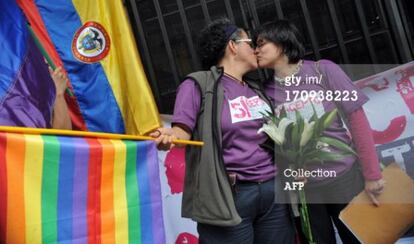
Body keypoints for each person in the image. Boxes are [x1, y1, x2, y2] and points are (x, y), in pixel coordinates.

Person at [151, 18, 295, 244]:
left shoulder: (256, 88)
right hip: (229, 196)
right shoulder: (198, 84)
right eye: (250, 42)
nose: (256, 49)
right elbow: (181, 133)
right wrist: (168, 137)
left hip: (272, 193)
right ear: (233, 45)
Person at [254, 20, 385, 244]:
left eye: (261, 43)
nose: (255, 50)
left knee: (360, 239)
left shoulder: (322, 70)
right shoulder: (266, 92)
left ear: (282, 43)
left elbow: (357, 120)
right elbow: (274, 143)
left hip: (345, 179)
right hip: (307, 191)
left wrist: (372, 174)